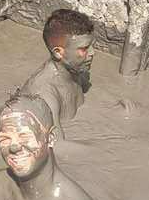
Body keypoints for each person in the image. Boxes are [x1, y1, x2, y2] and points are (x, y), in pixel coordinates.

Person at [19, 9, 95, 139]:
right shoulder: (44, 95)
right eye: (84, 49)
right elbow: (57, 147)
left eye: (92, 46)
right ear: (58, 52)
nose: (93, 53)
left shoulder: (76, 70)